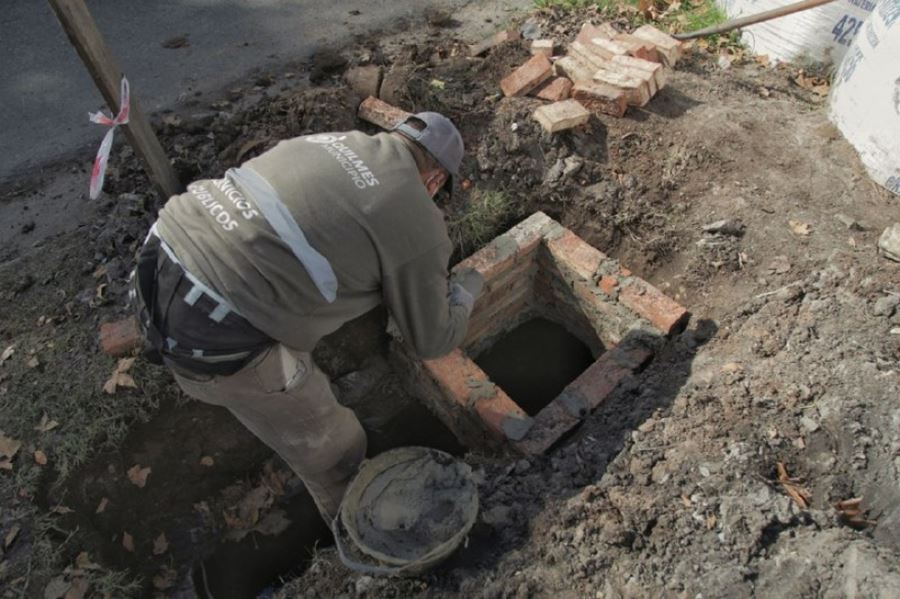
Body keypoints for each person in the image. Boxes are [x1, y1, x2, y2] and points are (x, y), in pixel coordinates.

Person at [132, 112, 483, 520]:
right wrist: (465, 292)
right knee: (338, 450)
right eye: (438, 191)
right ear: (435, 179)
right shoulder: (420, 221)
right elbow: (433, 340)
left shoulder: (332, 139)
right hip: (210, 331)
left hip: (155, 262)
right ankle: (362, 542)